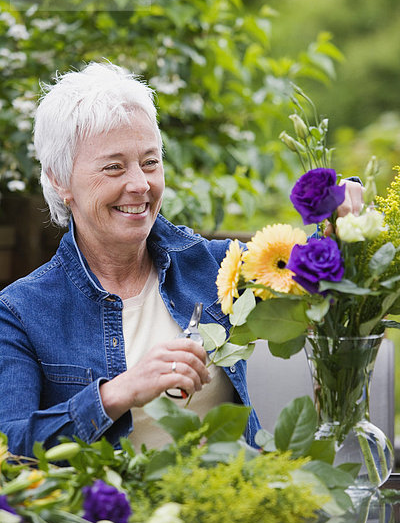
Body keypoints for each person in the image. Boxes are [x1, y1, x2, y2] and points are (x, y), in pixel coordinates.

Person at [0, 62, 364, 458]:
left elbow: (315, 275)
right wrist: (118, 393)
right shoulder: (21, 313)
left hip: (232, 507)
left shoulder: (216, 268)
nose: (140, 184)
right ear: (59, 178)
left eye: (150, 161)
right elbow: (11, 446)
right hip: (107, 519)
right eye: (114, 167)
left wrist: (341, 213)